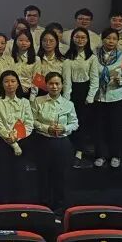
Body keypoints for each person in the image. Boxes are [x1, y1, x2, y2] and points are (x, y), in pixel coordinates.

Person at [86, 28, 122, 168]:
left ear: (117, 41)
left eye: (114, 39)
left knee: (115, 128)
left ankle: (115, 155)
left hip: (116, 97)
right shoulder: (93, 55)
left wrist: (121, 80)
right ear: (102, 39)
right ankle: (99, 155)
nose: (111, 41)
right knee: (98, 128)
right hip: (98, 97)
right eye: (108, 38)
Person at [32, 72, 78, 211]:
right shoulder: (38, 101)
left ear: (62, 85)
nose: (54, 86)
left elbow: (75, 123)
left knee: (61, 177)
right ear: (46, 85)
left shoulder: (68, 104)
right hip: (43, 142)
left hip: (62, 143)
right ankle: (43, 208)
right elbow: (32, 121)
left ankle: (59, 209)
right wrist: (46, 128)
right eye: (51, 83)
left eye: (57, 83)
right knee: (43, 177)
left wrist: (65, 128)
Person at [0, 70, 34, 202]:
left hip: (22, 142)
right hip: (2, 143)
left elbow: (29, 123)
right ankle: (3, 207)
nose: (10, 84)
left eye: (13, 81)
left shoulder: (24, 102)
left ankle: (19, 207)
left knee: (20, 176)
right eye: (6, 81)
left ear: (18, 84)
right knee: (3, 177)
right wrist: (12, 141)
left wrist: (17, 137)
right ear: (2, 84)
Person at [64, 27, 99, 167]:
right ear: (72, 38)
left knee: (82, 123)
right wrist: (66, 99)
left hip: (85, 92)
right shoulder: (68, 57)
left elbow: (95, 79)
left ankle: (79, 152)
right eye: (77, 37)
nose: (80, 40)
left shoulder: (92, 57)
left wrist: (90, 97)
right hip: (71, 92)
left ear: (87, 40)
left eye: (83, 37)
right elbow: (66, 80)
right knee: (70, 122)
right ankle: (70, 150)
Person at [35, 30, 67, 95]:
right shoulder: (36, 59)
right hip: (40, 92)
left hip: (58, 92)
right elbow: (35, 79)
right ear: (41, 42)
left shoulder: (63, 60)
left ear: (57, 42)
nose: (48, 43)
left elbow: (66, 81)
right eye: (44, 41)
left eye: (51, 41)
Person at [9, 30, 38, 100]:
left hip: (28, 92)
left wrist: (32, 98)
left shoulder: (36, 59)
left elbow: (37, 80)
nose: (24, 43)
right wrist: (19, 85)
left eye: (27, 41)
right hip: (11, 90)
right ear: (16, 41)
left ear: (31, 43)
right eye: (21, 40)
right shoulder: (10, 58)